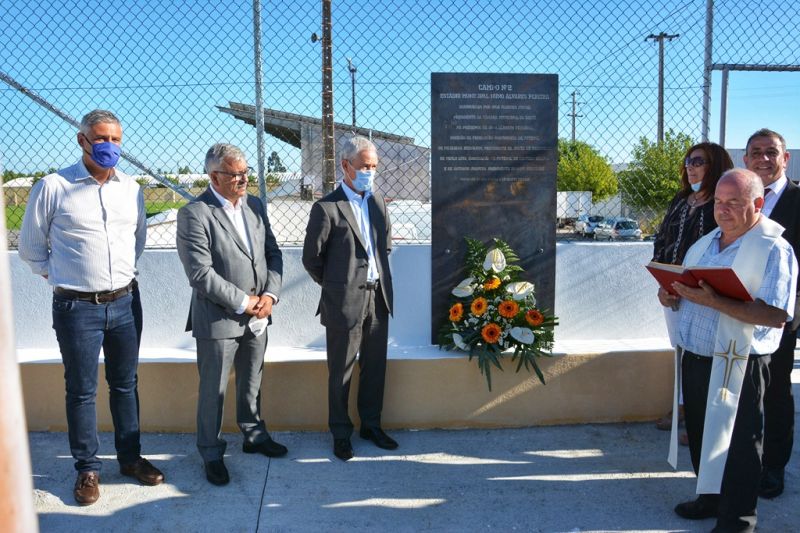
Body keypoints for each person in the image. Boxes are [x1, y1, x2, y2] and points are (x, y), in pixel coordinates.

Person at [18, 109, 164, 505]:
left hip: (125, 303)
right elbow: (31, 250)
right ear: (82, 140)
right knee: (81, 390)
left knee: (125, 384)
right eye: (101, 139)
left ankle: (130, 459)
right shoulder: (53, 186)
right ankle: (87, 469)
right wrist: (66, 277)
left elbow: (137, 240)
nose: (109, 146)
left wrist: (117, 278)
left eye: (116, 139)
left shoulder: (131, 188)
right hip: (76, 309)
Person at [659, 168, 797, 533]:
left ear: (758, 202)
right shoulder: (704, 244)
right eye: (719, 201)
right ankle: (710, 498)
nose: (723, 209)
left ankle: (738, 519)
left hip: (740, 362)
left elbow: (776, 314)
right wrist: (670, 297)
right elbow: (687, 296)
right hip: (698, 358)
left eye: (733, 202)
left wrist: (715, 301)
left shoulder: (773, 248)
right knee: (704, 436)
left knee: (738, 446)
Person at [176, 143, 286, 486]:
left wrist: (269, 295)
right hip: (219, 320)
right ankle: (211, 452)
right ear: (214, 176)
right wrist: (244, 301)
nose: (242, 179)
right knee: (214, 392)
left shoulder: (254, 205)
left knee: (252, 381)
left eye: (245, 173)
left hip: (259, 316)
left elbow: (272, 253)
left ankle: (253, 434)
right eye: (234, 174)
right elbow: (200, 274)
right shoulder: (195, 213)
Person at [302, 135, 397, 461]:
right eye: (364, 166)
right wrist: (337, 286)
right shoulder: (327, 208)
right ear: (345, 166)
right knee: (341, 371)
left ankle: (371, 425)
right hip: (344, 302)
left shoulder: (378, 202)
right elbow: (311, 259)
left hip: (378, 299)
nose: (370, 172)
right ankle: (341, 433)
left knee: (375, 368)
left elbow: (384, 248)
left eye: (374, 166)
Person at [652, 142, 734, 444]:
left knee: (705, 355)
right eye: (688, 160)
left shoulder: (722, 204)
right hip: (673, 291)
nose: (690, 165)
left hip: (706, 295)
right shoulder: (681, 199)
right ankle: (684, 408)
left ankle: (701, 419)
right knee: (682, 350)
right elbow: (662, 239)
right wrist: (663, 282)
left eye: (698, 161)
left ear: (715, 165)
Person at [742, 128, 799, 499]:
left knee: (776, 391)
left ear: (785, 158)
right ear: (745, 160)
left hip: (780, 314)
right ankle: (744, 461)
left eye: (771, 152)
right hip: (737, 310)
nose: (764, 158)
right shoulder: (737, 197)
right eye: (756, 152)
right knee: (746, 391)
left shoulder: (797, 199)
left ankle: (773, 467)